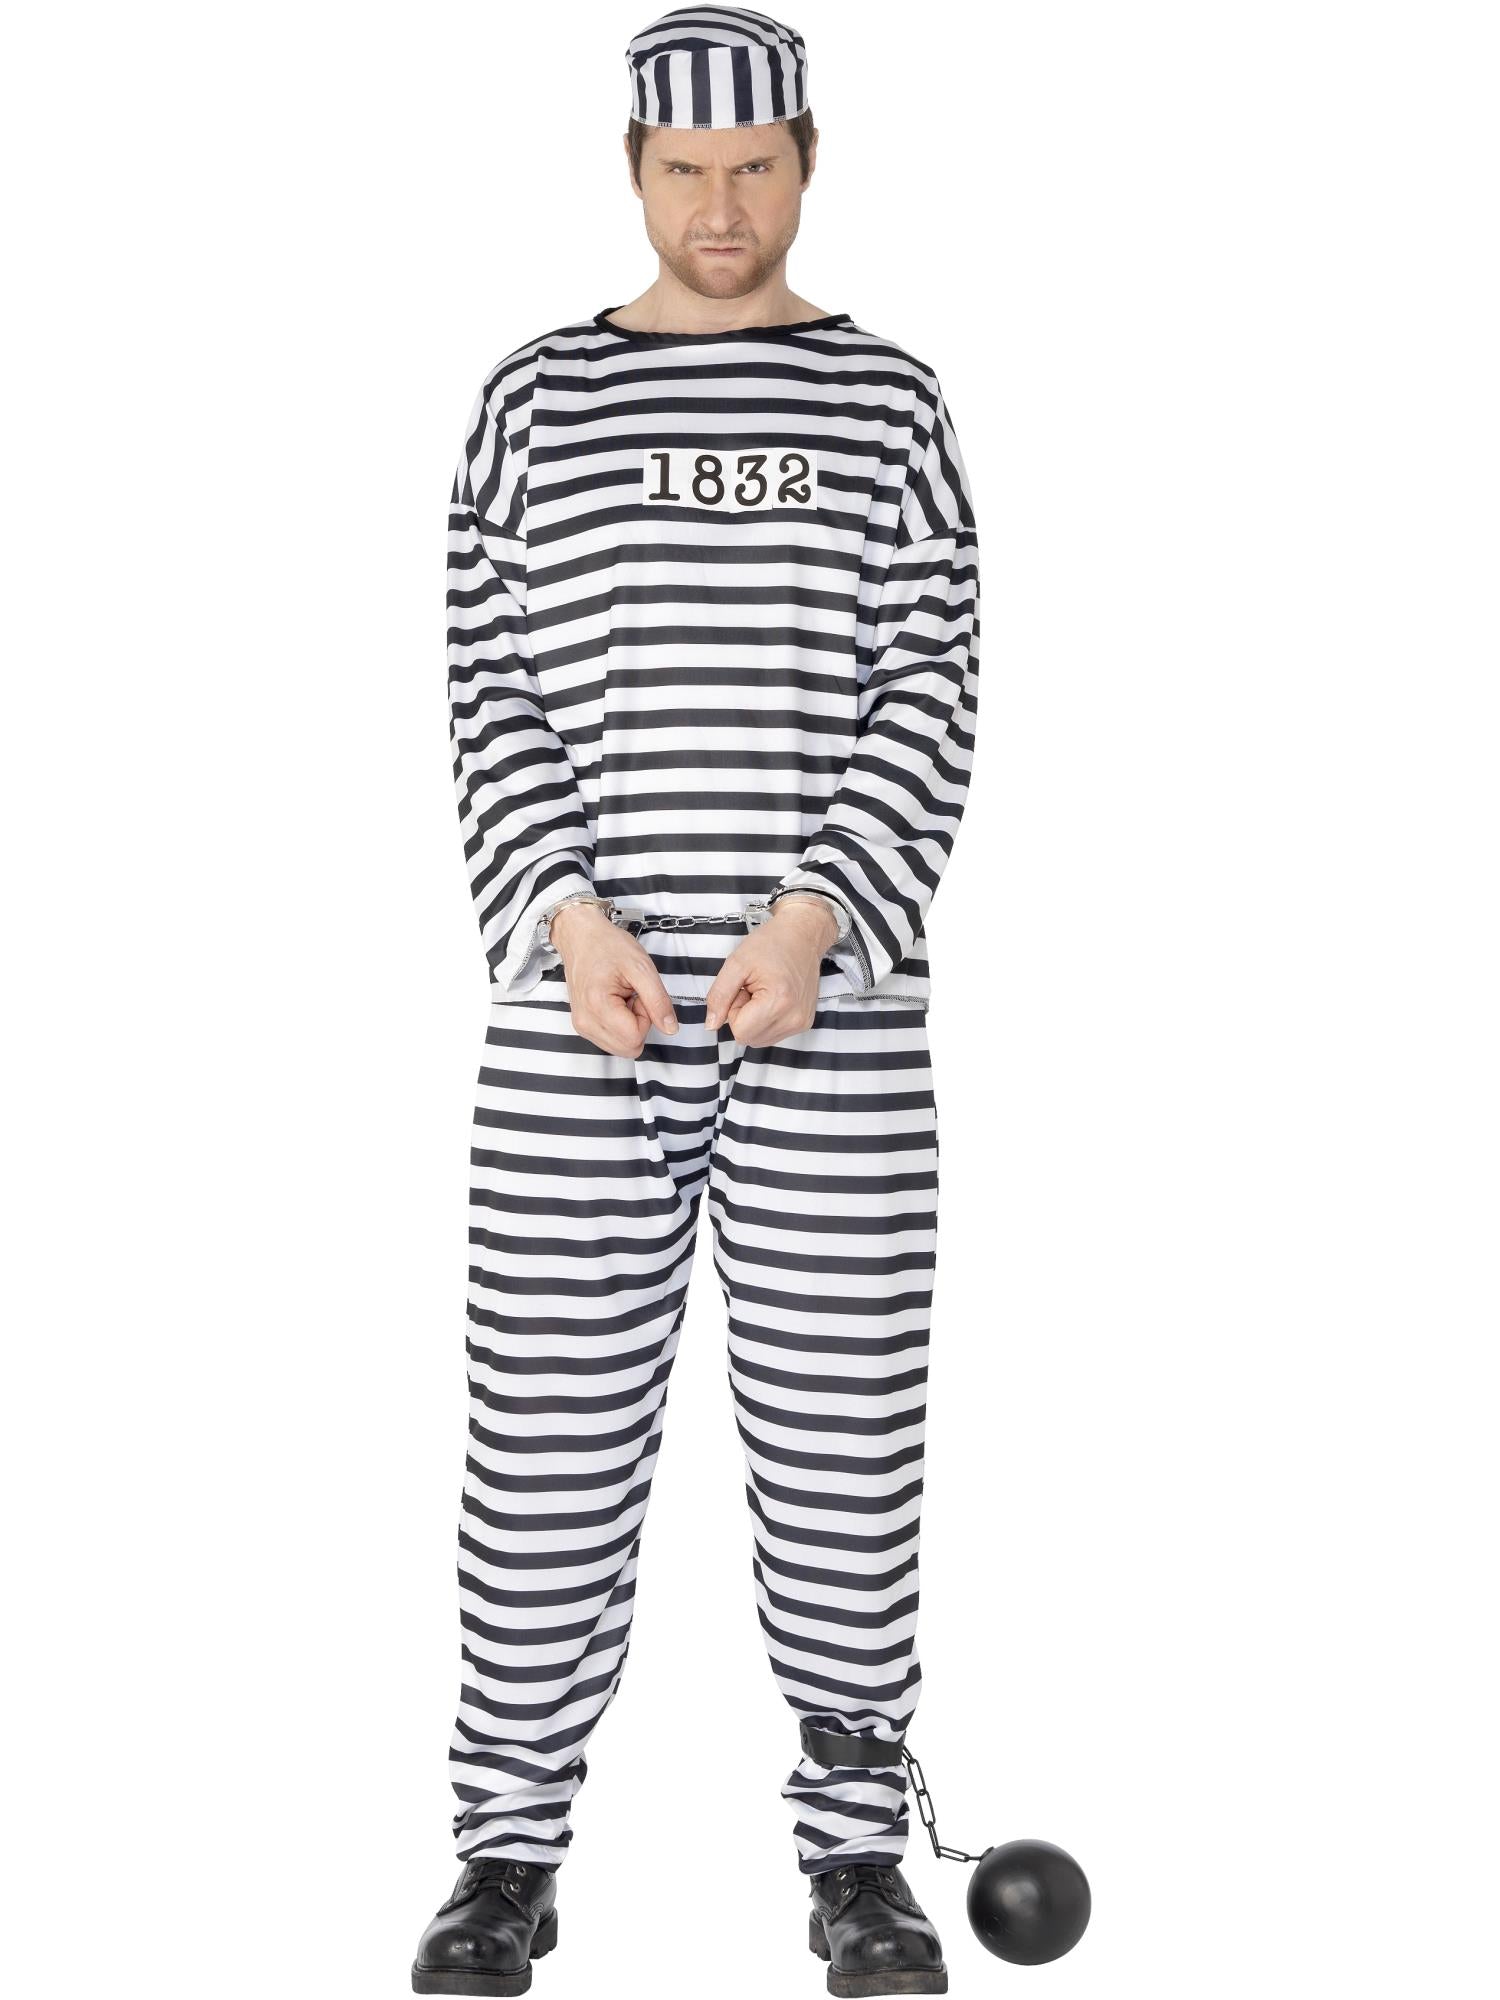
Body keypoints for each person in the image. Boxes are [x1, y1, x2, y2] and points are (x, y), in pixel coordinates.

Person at [412, 8, 981, 1994]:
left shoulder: (891, 404)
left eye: (752, 170)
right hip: (583, 1025)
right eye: (684, 172)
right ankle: (503, 1857)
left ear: (807, 162)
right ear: (634, 173)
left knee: (847, 1447)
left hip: (837, 1027)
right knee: (541, 1452)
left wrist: (823, 913)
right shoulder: (533, 401)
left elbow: (933, 684)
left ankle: (858, 1857)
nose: (719, 207)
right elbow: (488, 687)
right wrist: (562, 917)